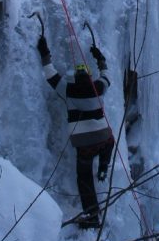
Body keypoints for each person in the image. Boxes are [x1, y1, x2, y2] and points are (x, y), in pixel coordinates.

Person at [37, 33, 115, 229]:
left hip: (85, 144)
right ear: (89, 76)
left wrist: (44, 52)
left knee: (84, 177)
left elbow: (50, 73)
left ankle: (91, 216)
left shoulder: (68, 90)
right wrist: (100, 58)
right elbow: (107, 76)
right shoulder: (98, 87)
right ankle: (104, 166)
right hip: (105, 138)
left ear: (76, 77)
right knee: (108, 145)